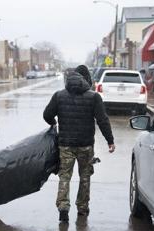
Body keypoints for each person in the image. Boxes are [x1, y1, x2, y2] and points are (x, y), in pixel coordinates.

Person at [43, 65, 115, 222]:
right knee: (85, 177)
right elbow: (102, 120)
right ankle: (82, 208)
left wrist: (54, 122)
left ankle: (63, 208)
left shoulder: (59, 96)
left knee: (65, 176)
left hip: (65, 145)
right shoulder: (94, 97)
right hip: (86, 145)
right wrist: (110, 140)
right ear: (86, 80)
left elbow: (47, 114)